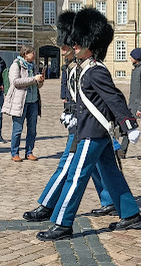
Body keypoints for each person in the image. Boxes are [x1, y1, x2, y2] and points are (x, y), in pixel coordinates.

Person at [37, 7, 141, 241]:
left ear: (90, 44)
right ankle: (131, 213)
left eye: (78, 43)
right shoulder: (84, 69)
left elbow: (114, 98)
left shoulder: (96, 71)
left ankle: (63, 223)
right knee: (111, 174)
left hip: (93, 133)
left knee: (76, 177)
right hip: (93, 131)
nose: (74, 45)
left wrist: (129, 125)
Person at [23, 11, 114, 222]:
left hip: (87, 124)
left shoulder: (87, 67)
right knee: (102, 167)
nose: (64, 50)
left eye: (67, 46)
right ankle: (114, 202)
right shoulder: (72, 66)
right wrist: (68, 110)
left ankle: (48, 204)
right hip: (80, 121)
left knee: (68, 165)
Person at [2, 45, 44, 161]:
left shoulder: (34, 66)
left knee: (32, 129)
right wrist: (33, 79)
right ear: (25, 53)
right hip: (20, 102)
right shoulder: (16, 65)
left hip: (33, 101)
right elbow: (15, 82)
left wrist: (40, 80)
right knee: (17, 129)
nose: (34, 56)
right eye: (32, 53)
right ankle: (14, 153)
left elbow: (37, 85)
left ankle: (29, 152)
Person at [119, 48, 141, 160]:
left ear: (136, 58)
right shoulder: (136, 70)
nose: (130, 58)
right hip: (133, 104)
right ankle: (122, 150)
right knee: (129, 126)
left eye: (131, 56)